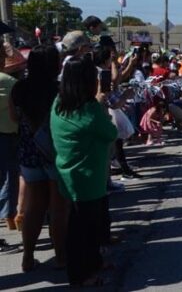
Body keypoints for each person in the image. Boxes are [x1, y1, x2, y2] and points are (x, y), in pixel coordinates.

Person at [51, 54, 118, 287]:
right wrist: (100, 102)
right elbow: (110, 133)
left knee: (89, 225)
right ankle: (80, 274)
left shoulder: (58, 103)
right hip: (87, 178)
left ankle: (95, 262)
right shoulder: (88, 109)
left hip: (72, 174)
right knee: (83, 230)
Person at [10, 44, 67, 272]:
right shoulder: (59, 90)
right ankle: (61, 256)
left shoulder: (19, 89)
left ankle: (28, 256)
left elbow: (14, 119)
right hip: (55, 153)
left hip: (29, 152)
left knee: (34, 207)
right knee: (58, 207)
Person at [0, 37, 19, 233]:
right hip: (7, 134)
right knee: (8, 177)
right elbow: (16, 114)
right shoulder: (10, 83)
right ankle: (8, 215)